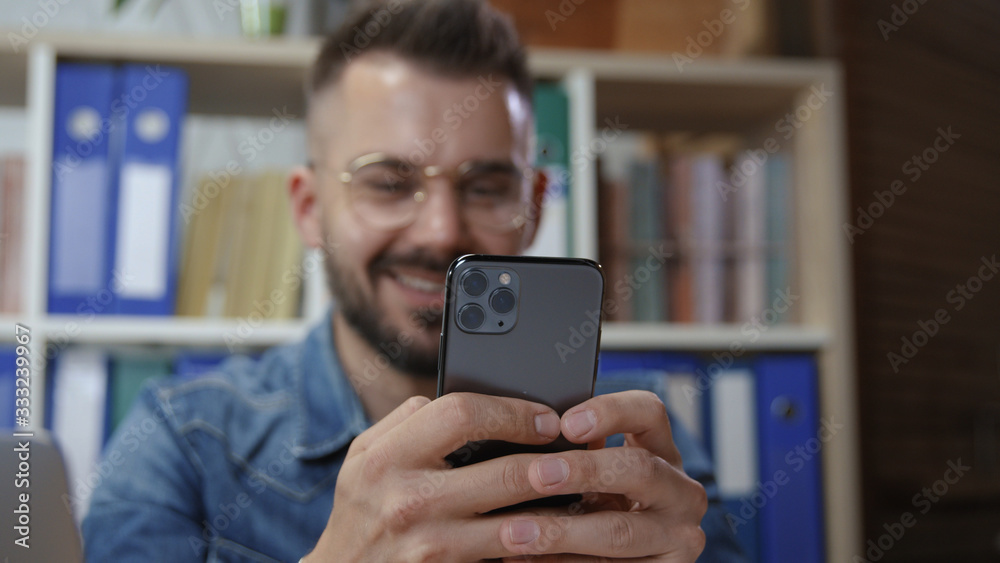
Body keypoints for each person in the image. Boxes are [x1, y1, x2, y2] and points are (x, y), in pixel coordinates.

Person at [83, 0, 748, 561]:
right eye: (389, 181)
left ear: (536, 207)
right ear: (310, 210)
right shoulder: (182, 438)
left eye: (486, 186)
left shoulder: (639, 438)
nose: (439, 231)